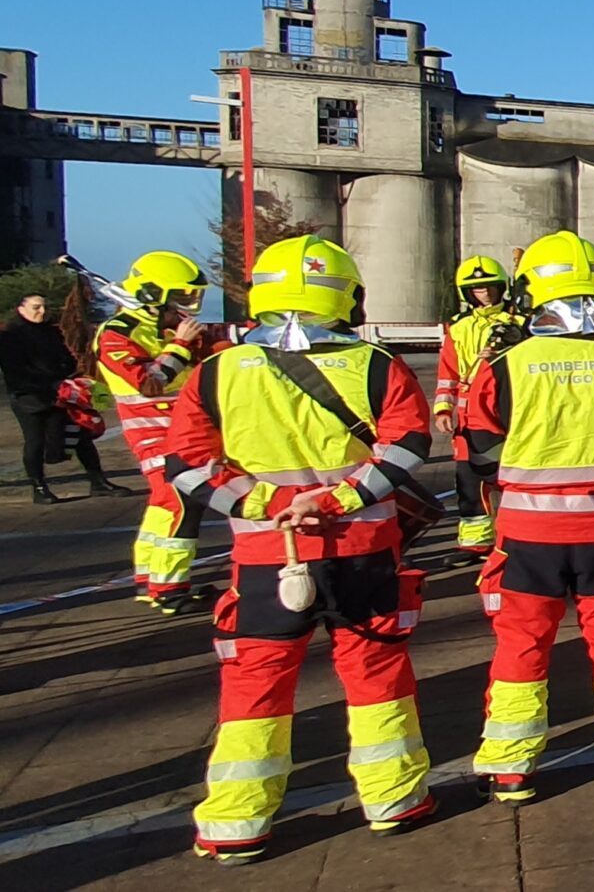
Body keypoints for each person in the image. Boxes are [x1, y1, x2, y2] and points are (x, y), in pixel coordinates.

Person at [162, 236, 436, 863]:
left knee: (256, 683)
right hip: (363, 546)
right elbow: (405, 447)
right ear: (347, 295)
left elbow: (186, 464)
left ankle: (236, 822)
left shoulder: (216, 371)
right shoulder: (375, 365)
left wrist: (261, 504)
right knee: (375, 670)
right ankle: (394, 798)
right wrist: (334, 501)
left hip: (265, 554)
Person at [466, 231, 594, 802]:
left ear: (532, 292)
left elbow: (479, 450)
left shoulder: (506, 365)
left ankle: (511, 766)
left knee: (522, 646)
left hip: (529, 537)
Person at [96, 251, 220, 611]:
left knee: (164, 504)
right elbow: (148, 383)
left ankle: (148, 579)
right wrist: (180, 345)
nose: (187, 307)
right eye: (180, 297)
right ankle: (170, 589)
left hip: (183, 429)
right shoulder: (116, 334)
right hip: (154, 432)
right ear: (152, 295)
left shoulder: (162, 326)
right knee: (182, 501)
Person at [433, 256, 521, 563]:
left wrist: (510, 345)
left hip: (510, 409)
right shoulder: (458, 329)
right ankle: (476, 543)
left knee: (513, 473)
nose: (483, 293)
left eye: (488, 287)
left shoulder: (519, 323)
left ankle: (517, 536)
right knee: (469, 478)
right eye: (476, 288)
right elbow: (448, 372)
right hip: (468, 416)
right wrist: (443, 410)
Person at [3, 291, 123, 503]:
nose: (42, 311)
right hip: (30, 397)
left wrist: (74, 378)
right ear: (20, 309)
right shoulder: (10, 336)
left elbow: (67, 359)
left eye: (44, 306)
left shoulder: (51, 332)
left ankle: (98, 481)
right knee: (35, 441)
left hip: (63, 393)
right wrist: (51, 383)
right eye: (36, 307)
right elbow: (16, 372)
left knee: (82, 436)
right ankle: (39, 488)